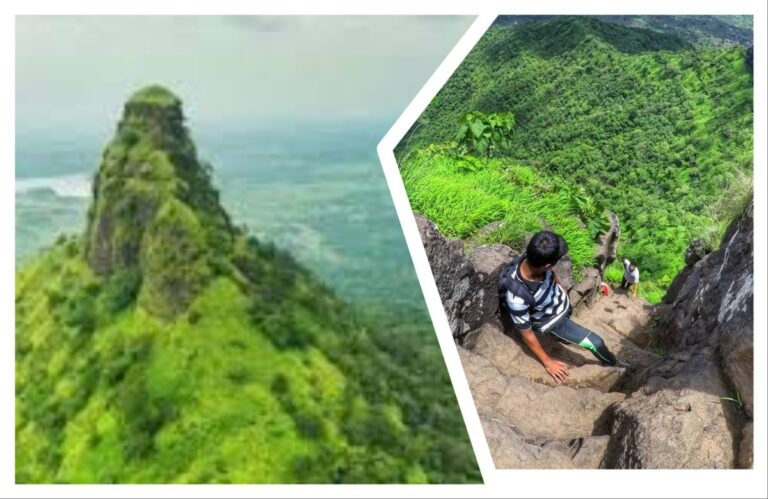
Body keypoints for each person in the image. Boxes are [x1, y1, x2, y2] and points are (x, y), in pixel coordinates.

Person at [498, 231, 623, 383]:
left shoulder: (532, 259)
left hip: (560, 307)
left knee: (590, 339)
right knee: (596, 343)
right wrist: (548, 363)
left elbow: (552, 276)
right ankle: (613, 364)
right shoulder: (517, 297)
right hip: (555, 323)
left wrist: (561, 289)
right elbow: (526, 333)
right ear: (548, 265)